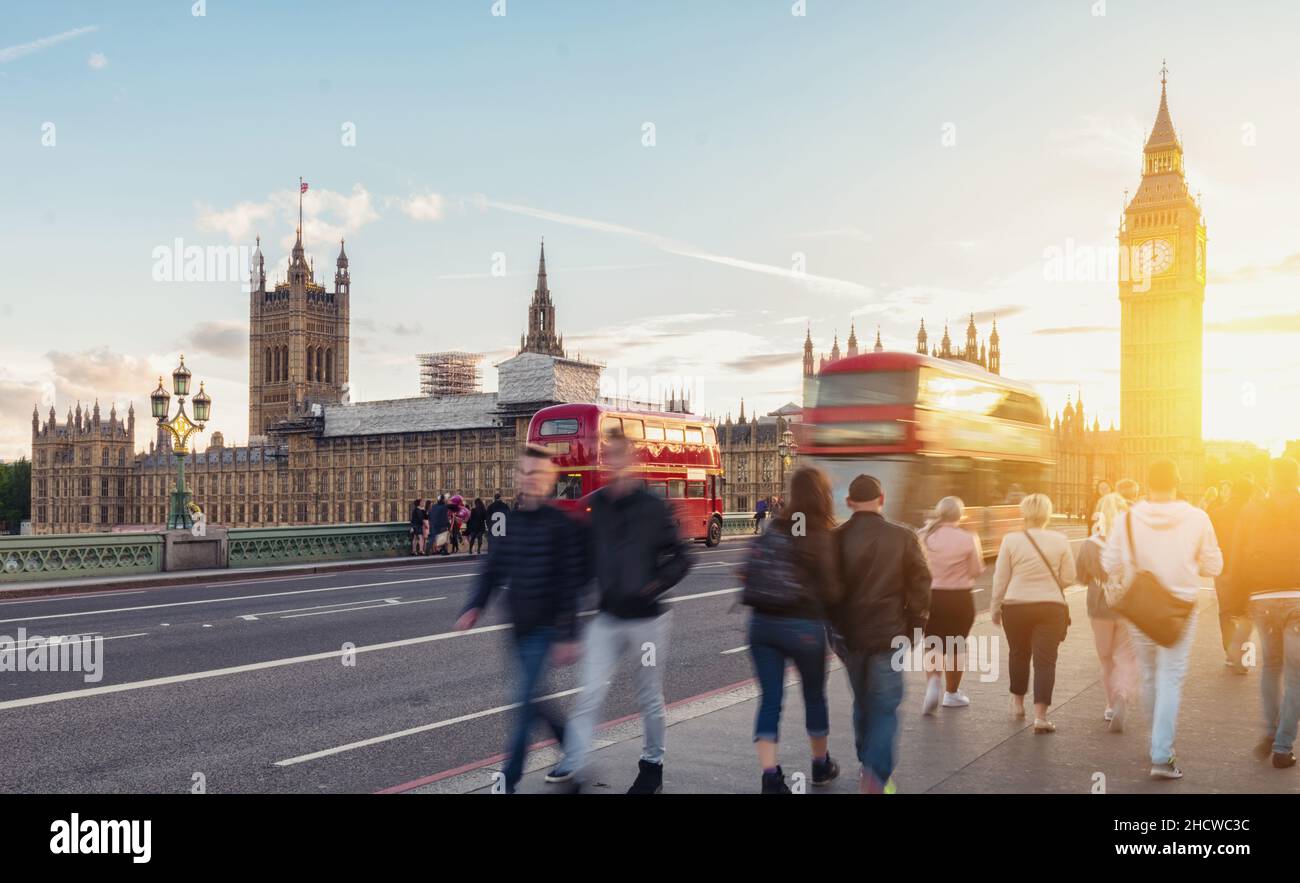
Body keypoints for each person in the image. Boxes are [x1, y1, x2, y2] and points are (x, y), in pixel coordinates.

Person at [548, 429, 692, 793]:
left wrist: (654, 585)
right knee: (590, 691)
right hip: (608, 618)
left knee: (648, 695)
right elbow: (579, 567)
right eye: (608, 454)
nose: (613, 460)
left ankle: (652, 767)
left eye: (619, 454)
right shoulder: (595, 506)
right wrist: (568, 623)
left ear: (632, 459)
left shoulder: (654, 506)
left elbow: (682, 557)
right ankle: (575, 763)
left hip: (648, 621)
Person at [454, 446, 586, 793]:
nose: (529, 479)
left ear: (548, 481)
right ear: (518, 477)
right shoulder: (509, 524)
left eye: (536, 474)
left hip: (545, 629)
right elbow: (492, 570)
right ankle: (574, 750)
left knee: (524, 703)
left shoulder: (561, 525)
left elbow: (570, 582)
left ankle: (507, 780)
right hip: (518, 628)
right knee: (535, 701)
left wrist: (568, 634)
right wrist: (474, 606)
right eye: (524, 472)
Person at [1103, 458, 1223, 780]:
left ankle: (1156, 745)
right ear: (1178, 480)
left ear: (1147, 482)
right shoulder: (1198, 518)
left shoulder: (1127, 518)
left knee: (1149, 675)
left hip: (1140, 610)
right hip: (1179, 611)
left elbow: (1109, 561)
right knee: (1170, 677)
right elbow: (1214, 566)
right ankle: (1161, 753)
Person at [740, 466, 842, 793]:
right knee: (813, 696)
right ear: (822, 494)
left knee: (770, 700)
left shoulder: (774, 527)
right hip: (803, 626)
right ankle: (820, 766)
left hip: (761, 625)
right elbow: (832, 591)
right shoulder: (820, 533)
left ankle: (770, 776)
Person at [832, 474, 931, 793]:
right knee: (886, 706)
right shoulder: (903, 536)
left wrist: (835, 633)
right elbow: (921, 585)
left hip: (850, 639)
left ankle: (867, 763)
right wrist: (914, 627)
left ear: (849, 503)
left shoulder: (834, 539)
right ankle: (876, 774)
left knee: (862, 703)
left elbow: (825, 593)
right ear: (882, 499)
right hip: (891, 636)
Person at [1229, 457, 1300, 769]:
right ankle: (1283, 748)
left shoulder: (1252, 510)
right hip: (1297, 598)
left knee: (1271, 667)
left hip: (1262, 598)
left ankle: (1271, 730)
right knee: (1296, 675)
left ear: (1270, 479)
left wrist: (1236, 600)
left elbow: (1238, 556)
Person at [991, 494, 1075, 734]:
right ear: (1048, 514)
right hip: (1051, 606)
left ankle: (1017, 703)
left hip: (1016, 606)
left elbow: (1000, 578)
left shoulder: (1010, 540)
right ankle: (1040, 717)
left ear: (1024, 513)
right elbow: (1069, 577)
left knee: (1018, 653)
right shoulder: (1060, 540)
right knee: (1045, 661)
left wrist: (996, 606)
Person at [1076, 492, 1137, 732]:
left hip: (1100, 605)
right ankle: (1123, 692)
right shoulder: (1132, 542)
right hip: (1127, 605)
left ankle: (1110, 705)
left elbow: (1081, 577)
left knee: (1105, 657)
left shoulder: (1090, 544)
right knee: (1127, 655)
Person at [917, 496, 984, 713]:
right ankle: (952, 694)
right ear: (960, 515)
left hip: (930, 596)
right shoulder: (968, 537)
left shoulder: (923, 536)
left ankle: (932, 684)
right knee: (956, 644)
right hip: (959, 598)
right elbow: (976, 570)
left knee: (932, 642)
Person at [1211, 477, 1256, 672]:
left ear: (1232, 491)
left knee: (1226, 613)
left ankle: (1231, 654)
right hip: (1252, 570)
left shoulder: (1216, 513)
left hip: (1224, 568)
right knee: (1248, 613)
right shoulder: (1258, 513)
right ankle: (1244, 658)